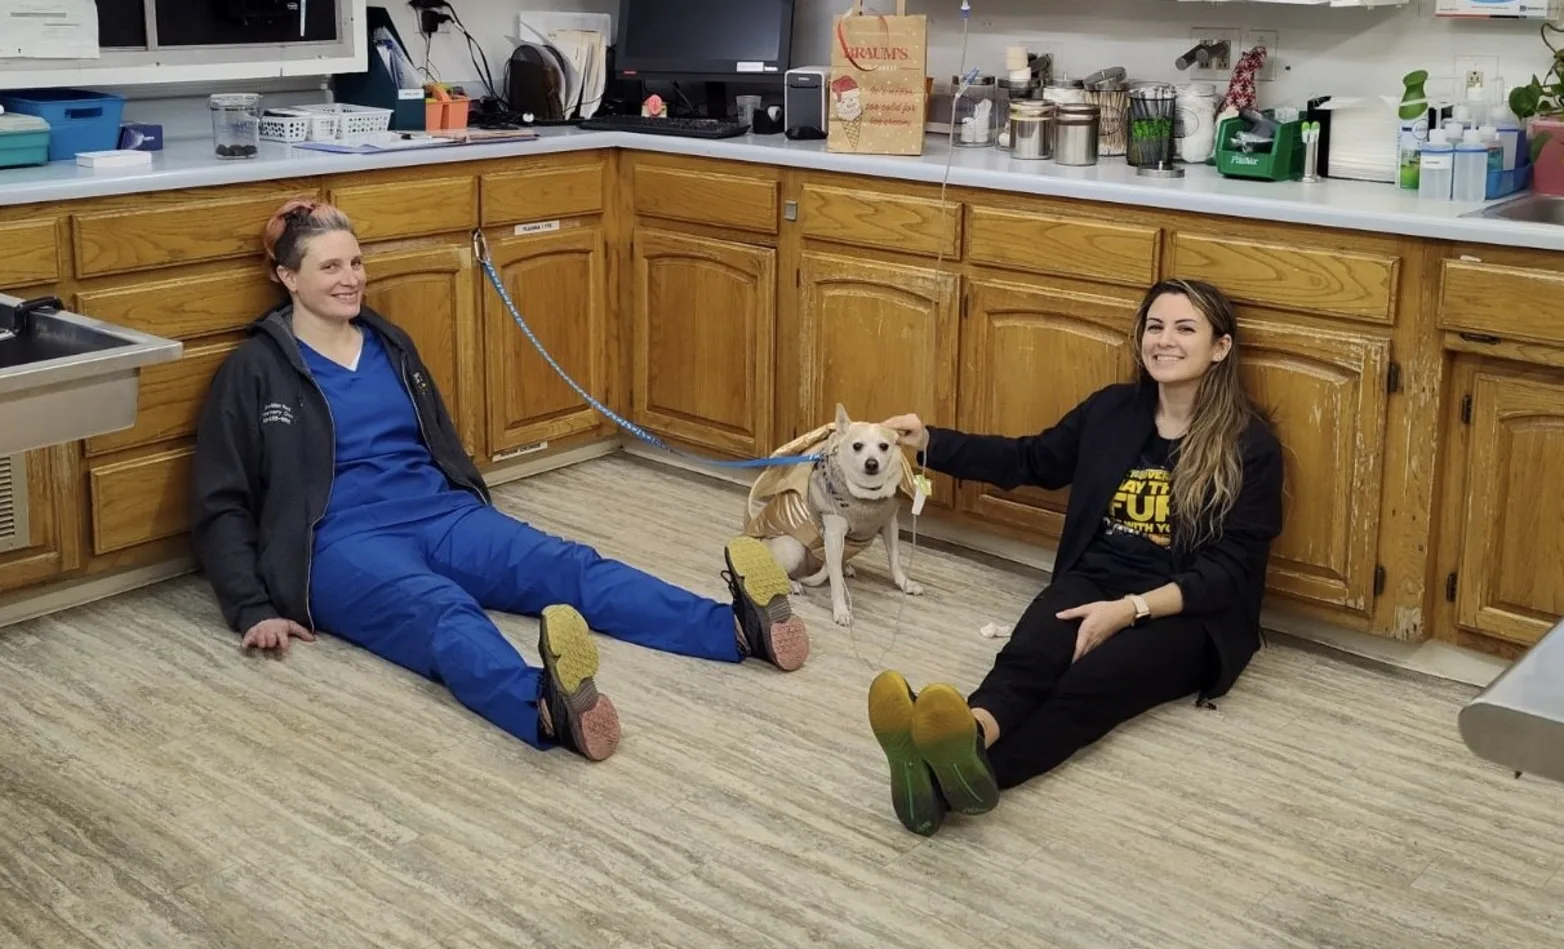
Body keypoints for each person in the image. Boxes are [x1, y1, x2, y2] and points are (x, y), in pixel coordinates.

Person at [190, 199, 810, 764]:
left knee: (569, 567)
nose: (350, 278)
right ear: (288, 277)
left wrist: (470, 506)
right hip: (342, 543)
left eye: (355, 262)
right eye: (329, 268)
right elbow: (221, 501)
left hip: (440, 513)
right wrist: (251, 607)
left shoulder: (389, 345)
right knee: (445, 612)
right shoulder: (253, 372)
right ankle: (545, 706)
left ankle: (734, 629)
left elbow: (438, 442)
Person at [867, 278, 1285, 836]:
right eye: (1155, 326)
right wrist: (932, 442)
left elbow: (1229, 572)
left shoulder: (1249, 444)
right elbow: (1032, 459)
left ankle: (945, 782)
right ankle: (966, 734)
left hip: (1187, 611)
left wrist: (1129, 610)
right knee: (1029, 657)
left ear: (1220, 347)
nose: (1165, 340)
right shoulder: (1112, 411)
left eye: (1186, 328)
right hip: (1097, 574)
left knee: (1088, 685)